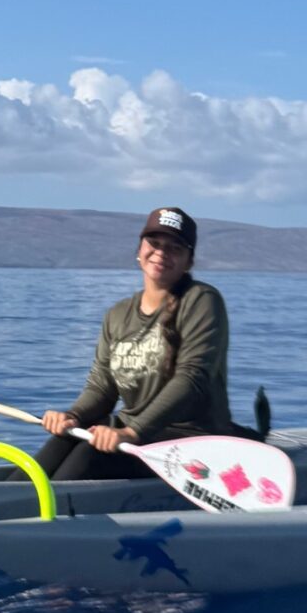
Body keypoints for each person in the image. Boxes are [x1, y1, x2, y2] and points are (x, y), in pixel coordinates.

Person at [37, 205, 232, 482]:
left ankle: (39, 519)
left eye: (175, 247)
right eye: (154, 243)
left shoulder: (202, 300)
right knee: (63, 442)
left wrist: (132, 432)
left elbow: (192, 378)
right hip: (134, 433)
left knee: (89, 455)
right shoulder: (118, 315)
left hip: (190, 439)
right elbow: (102, 387)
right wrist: (73, 416)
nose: (162, 252)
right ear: (139, 250)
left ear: (189, 261)